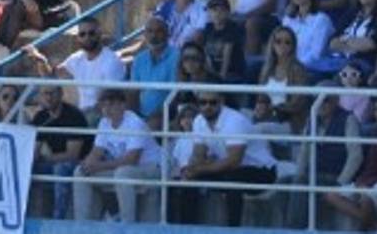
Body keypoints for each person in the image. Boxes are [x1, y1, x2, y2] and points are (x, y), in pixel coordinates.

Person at [171, 88, 279, 226]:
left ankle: (232, 229)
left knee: (233, 179)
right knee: (189, 178)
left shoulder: (235, 121)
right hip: (230, 169)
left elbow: (234, 161)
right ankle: (186, 227)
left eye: (212, 102)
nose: (207, 106)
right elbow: (198, 155)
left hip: (262, 171)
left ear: (221, 102)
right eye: (203, 102)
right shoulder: (199, 121)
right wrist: (190, 169)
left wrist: (201, 169)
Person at [73, 88, 162, 224]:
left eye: (111, 104)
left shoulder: (135, 123)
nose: (107, 108)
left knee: (123, 174)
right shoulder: (104, 123)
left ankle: (127, 225)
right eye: (104, 104)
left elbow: (132, 159)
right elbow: (97, 151)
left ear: (122, 105)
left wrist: (99, 166)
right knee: (80, 173)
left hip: (151, 168)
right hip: (124, 168)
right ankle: (82, 225)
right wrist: (87, 165)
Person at [30, 83, 88, 220]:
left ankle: (58, 221)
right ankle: (27, 218)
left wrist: (45, 159)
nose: (49, 97)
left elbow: (72, 154)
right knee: (25, 170)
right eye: (45, 93)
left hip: (79, 163)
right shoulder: (40, 117)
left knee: (60, 169)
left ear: (61, 94)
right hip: (53, 161)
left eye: (52, 93)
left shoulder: (74, 116)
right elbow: (34, 150)